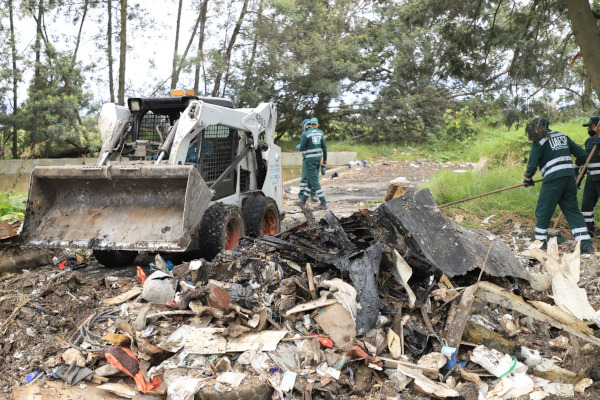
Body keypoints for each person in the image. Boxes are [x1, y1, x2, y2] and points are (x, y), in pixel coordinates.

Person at [523, 117, 595, 253]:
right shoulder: (562, 136)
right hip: (569, 179)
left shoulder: (539, 140)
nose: (534, 131)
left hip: (553, 180)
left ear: (540, 127)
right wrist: (574, 167)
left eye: (534, 128)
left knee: (543, 211)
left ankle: (539, 244)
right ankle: (586, 246)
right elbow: (582, 155)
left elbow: (532, 164)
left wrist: (527, 178)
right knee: (573, 212)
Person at [296, 117, 328, 210]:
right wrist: (324, 159)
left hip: (310, 160)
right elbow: (324, 147)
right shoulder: (320, 133)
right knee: (310, 180)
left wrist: (299, 147)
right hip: (318, 159)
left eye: (302, 126)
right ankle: (303, 200)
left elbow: (302, 148)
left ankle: (323, 202)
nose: (302, 128)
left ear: (305, 126)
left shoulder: (305, 134)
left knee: (314, 181)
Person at [581, 117, 600, 237]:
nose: (589, 129)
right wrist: (580, 176)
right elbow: (585, 161)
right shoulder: (589, 142)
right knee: (586, 206)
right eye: (588, 127)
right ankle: (589, 231)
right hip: (590, 179)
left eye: (592, 126)